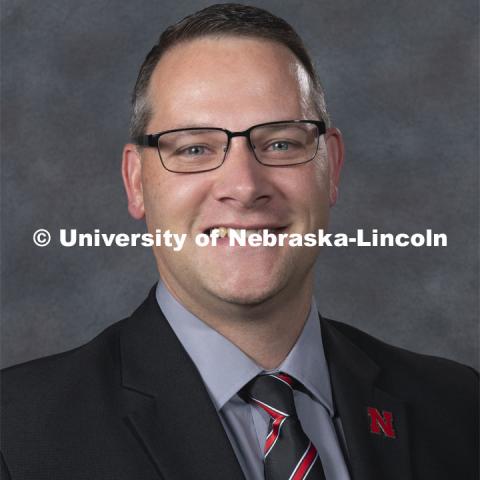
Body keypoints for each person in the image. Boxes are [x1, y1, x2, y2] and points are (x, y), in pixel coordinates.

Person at [1, 4, 477, 480]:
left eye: (280, 144)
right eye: (194, 148)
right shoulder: (18, 433)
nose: (245, 187)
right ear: (136, 182)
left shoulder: (459, 408)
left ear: (330, 166)